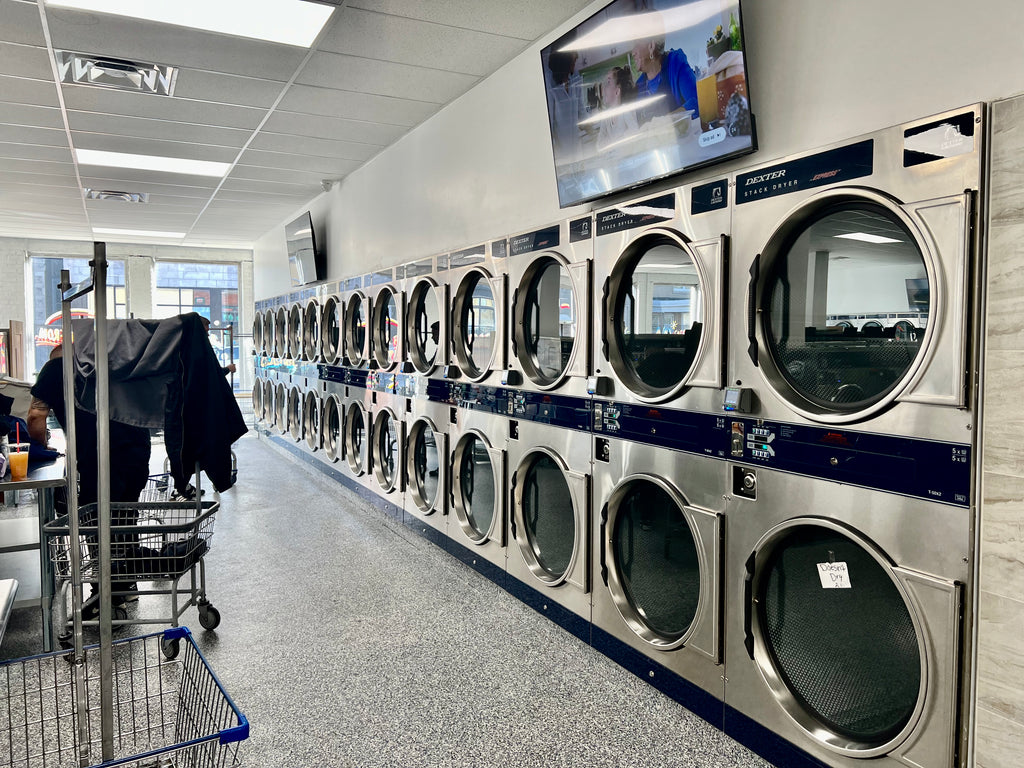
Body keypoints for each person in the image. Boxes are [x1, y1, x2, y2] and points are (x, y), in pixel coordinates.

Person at [28, 343, 151, 615]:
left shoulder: (54, 368)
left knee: (96, 520)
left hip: (98, 457)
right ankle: (125, 585)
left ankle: (104, 595)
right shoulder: (110, 364)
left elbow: (36, 416)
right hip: (136, 451)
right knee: (124, 516)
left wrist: (41, 446)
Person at [630, 35, 698, 122]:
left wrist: (665, 122)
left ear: (652, 45)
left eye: (637, 45)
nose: (633, 53)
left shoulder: (675, 63)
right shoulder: (639, 85)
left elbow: (696, 102)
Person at [596, 66, 641, 151]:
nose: (604, 87)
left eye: (608, 82)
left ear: (617, 92)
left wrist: (610, 143)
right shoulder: (606, 116)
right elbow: (599, 145)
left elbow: (635, 132)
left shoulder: (625, 111)